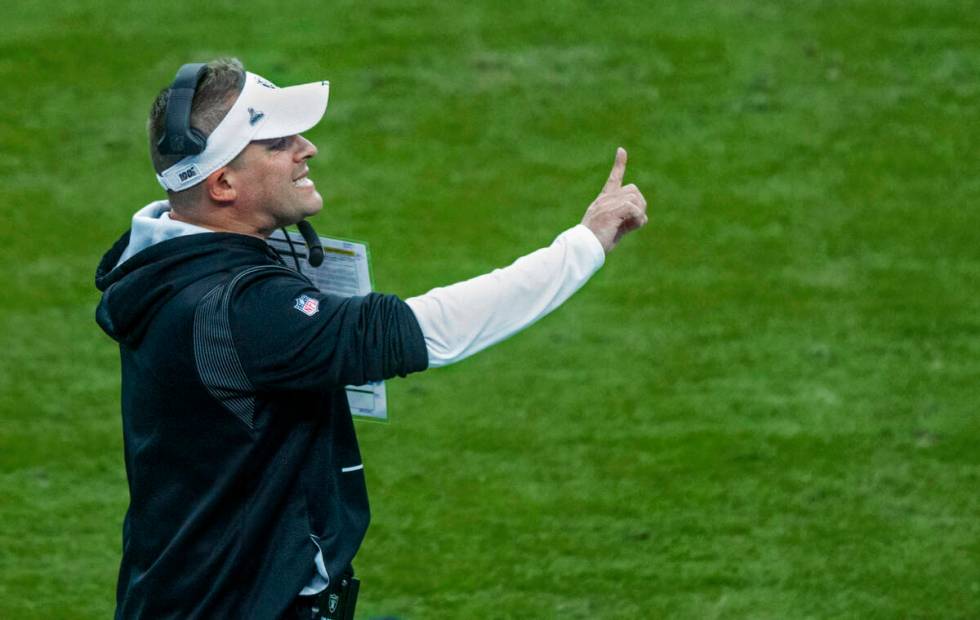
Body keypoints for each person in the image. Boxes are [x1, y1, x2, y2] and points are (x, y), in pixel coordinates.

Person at [94, 57, 648, 619]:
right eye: (278, 142)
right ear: (223, 183)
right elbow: (427, 331)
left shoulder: (165, 260)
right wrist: (586, 244)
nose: (306, 149)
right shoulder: (238, 311)